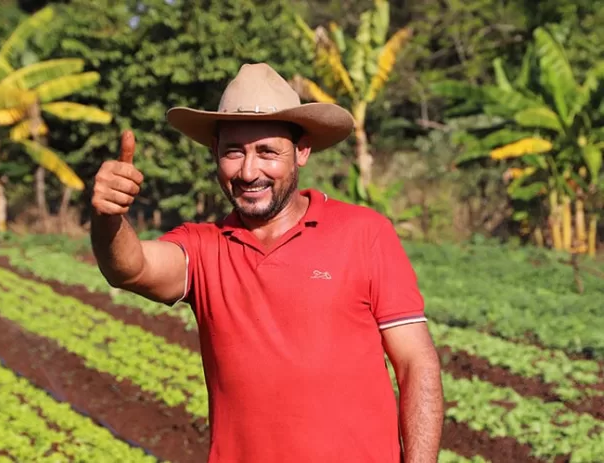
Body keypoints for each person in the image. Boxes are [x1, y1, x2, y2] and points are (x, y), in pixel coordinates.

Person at [90, 62, 444, 463]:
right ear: (215, 154)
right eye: (233, 152)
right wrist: (108, 216)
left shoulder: (364, 233)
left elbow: (416, 362)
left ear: (302, 152)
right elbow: (129, 267)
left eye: (267, 152)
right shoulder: (205, 248)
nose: (248, 171)